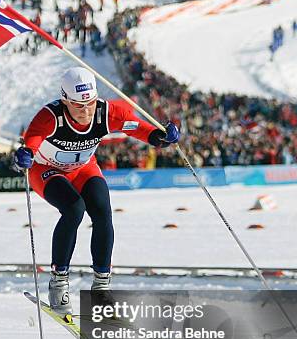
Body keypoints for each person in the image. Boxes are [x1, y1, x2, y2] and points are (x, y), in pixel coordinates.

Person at [13, 67, 179, 314]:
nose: (86, 111)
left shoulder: (106, 112)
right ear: (65, 100)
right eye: (79, 106)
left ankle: (101, 288)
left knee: (102, 212)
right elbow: (32, 141)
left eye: (90, 103)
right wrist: (24, 156)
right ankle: (59, 283)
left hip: (83, 169)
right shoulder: (50, 116)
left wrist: (160, 136)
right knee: (73, 209)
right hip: (47, 170)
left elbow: (136, 127)